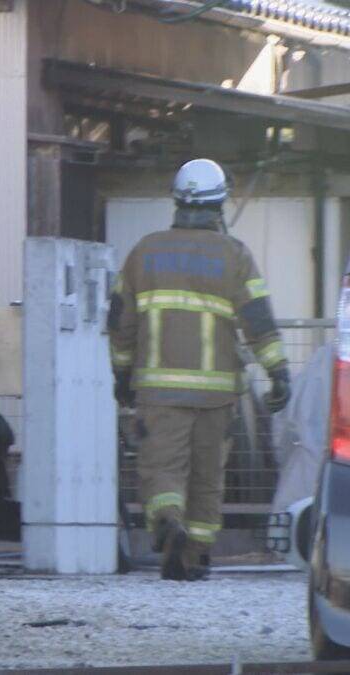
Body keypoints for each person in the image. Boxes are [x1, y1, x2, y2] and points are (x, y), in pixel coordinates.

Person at [109, 158, 291, 581]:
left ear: (177, 201)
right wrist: (278, 372)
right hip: (216, 394)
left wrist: (121, 375)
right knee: (208, 476)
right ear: (219, 204)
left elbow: (120, 323)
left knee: (163, 468)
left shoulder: (144, 251)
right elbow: (258, 320)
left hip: (158, 391)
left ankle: (168, 520)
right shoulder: (235, 255)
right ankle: (195, 556)